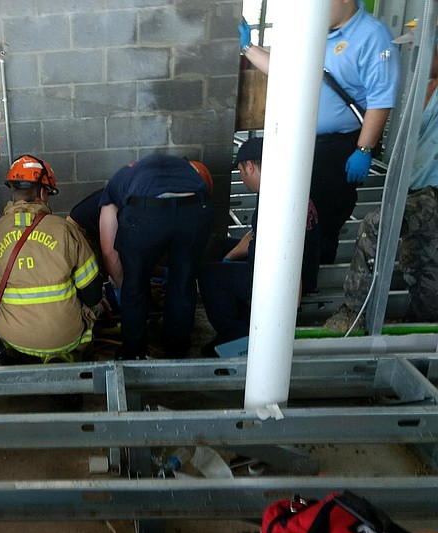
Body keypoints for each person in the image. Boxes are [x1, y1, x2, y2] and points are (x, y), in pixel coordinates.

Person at [240, 0, 399, 264]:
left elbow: (380, 100)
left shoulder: (372, 36)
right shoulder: (315, 31)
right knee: (292, 215)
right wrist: (247, 48)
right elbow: (287, 71)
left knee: (322, 218)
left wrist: (363, 149)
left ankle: (312, 282)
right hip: (301, 142)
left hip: (337, 150)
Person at [324, 39, 438, 333]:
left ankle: (352, 310)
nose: (415, 56)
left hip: (435, 194)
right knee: (422, 267)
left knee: (375, 223)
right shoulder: (423, 87)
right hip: (416, 189)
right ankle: (418, 330)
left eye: (423, 49)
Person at [198, 138, 321, 354]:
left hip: (282, 281)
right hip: (289, 267)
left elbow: (283, 258)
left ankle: (233, 338)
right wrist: (230, 255)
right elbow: (257, 236)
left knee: (209, 276)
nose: (242, 179)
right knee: (221, 247)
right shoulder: (285, 186)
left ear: (251, 167)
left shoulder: (273, 201)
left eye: (241, 172)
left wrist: (293, 306)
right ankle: (243, 320)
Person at [0, 155, 103, 361]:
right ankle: (65, 355)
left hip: (12, 336)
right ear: (42, 192)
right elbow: (92, 293)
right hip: (64, 335)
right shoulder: (64, 229)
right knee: (92, 309)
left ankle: (14, 352)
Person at [98, 155, 214, 359]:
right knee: (183, 281)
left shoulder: (116, 184)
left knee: (135, 283)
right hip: (196, 207)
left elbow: (108, 251)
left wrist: (125, 287)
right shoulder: (187, 171)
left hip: (146, 210)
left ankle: (134, 351)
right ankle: (177, 348)